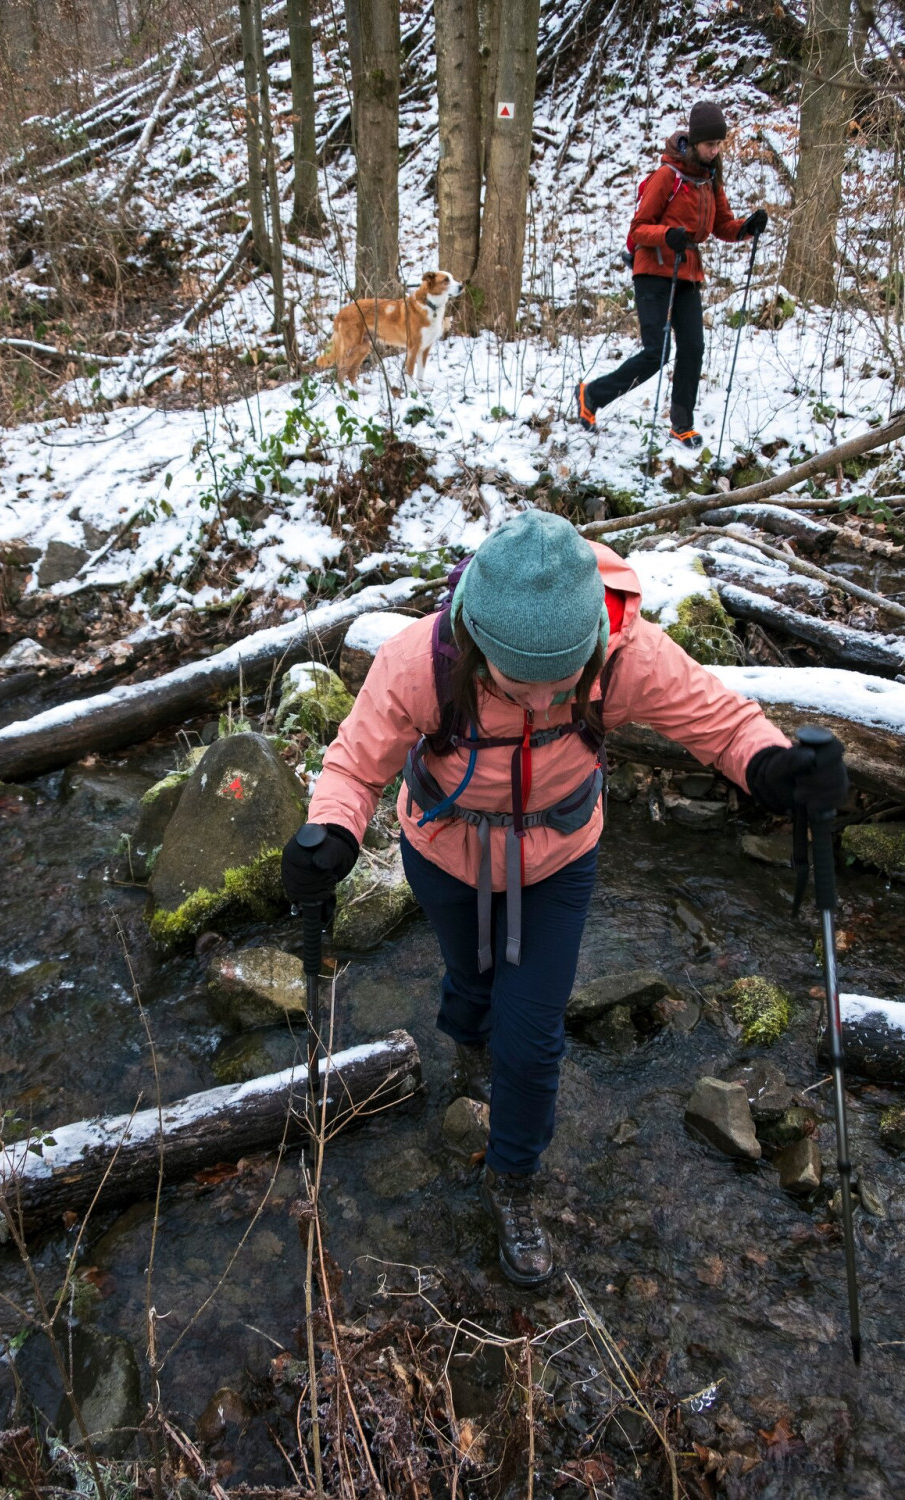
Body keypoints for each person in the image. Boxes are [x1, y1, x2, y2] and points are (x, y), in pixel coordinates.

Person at [281, 512, 847, 1288]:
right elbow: (352, 767)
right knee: (470, 980)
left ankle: (512, 1179)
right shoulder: (422, 663)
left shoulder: (620, 653)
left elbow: (719, 721)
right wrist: (332, 835)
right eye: (524, 686)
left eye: (566, 681)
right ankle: (465, 1044)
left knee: (533, 1034)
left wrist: (779, 771)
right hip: (444, 853)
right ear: (479, 646)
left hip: (557, 859)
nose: (549, 698)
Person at [577, 99, 768, 450]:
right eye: (710, 144)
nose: (715, 151)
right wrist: (668, 235)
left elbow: (722, 225)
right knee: (657, 352)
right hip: (653, 269)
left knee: (693, 347)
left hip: (687, 273)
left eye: (718, 145)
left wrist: (746, 228)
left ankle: (682, 424)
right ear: (694, 142)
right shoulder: (669, 176)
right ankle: (592, 395)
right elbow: (639, 229)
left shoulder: (709, 179)